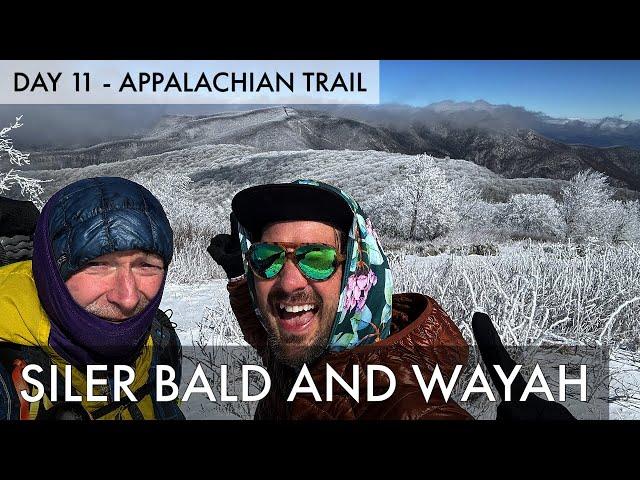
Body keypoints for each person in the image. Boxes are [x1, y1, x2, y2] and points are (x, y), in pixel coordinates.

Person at [208, 180, 472, 420]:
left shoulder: (401, 402)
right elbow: (262, 333)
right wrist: (240, 277)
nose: (289, 283)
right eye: (268, 256)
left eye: (317, 259)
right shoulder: (295, 349)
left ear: (356, 271)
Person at [0, 177, 183, 420]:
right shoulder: (8, 375)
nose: (127, 298)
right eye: (97, 265)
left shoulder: (160, 342)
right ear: (51, 273)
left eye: (146, 265)